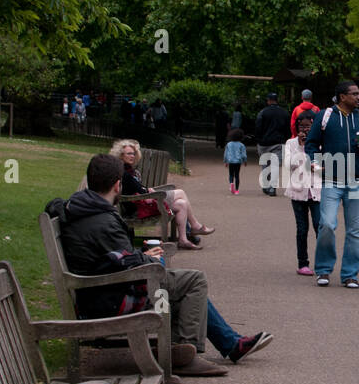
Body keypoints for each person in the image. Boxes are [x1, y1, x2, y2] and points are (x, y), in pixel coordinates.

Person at [47, 154, 272, 372]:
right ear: (118, 185)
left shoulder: (79, 208)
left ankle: (229, 344)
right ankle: (185, 354)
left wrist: (143, 255)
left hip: (99, 292)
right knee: (193, 281)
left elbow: (113, 258)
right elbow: (128, 267)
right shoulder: (102, 219)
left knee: (183, 280)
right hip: (110, 300)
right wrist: (151, 259)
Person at [304, 79, 359, 288]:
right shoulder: (325, 116)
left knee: (355, 229)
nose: (358, 97)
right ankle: (324, 270)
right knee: (326, 224)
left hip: (356, 179)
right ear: (342, 96)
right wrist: (315, 162)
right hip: (331, 180)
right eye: (354, 94)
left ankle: (350, 274)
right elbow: (311, 143)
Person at [107, 138, 215, 249]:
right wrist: (147, 191)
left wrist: (147, 190)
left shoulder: (129, 171)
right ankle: (195, 226)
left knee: (182, 204)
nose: (132, 156)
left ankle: (183, 240)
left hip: (143, 202)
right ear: (121, 155)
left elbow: (140, 188)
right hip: (137, 209)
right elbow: (141, 190)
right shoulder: (124, 173)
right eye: (129, 153)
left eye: (134, 153)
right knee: (181, 193)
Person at [285, 111, 322, 275]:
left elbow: (323, 165)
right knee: (302, 229)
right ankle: (303, 263)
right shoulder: (291, 143)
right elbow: (289, 164)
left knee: (320, 226)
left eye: (308, 126)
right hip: (298, 192)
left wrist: (313, 165)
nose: (305, 130)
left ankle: (322, 263)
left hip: (316, 191)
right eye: (302, 126)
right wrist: (301, 147)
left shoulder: (321, 144)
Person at [254, 92, 289, 196]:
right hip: (279, 143)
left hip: (265, 143)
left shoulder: (263, 112)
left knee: (265, 164)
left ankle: (265, 185)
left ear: (268, 100)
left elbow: (258, 127)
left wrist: (259, 140)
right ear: (277, 100)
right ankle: (272, 188)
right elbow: (288, 129)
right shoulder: (284, 113)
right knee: (275, 166)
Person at [224, 127, 247, 194]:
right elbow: (243, 155)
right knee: (237, 175)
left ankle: (231, 183)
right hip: (238, 162)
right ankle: (236, 190)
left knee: (231, 174)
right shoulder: (241, 145)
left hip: (230, 161)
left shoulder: (229, 144)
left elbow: (226, 154)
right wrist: (245, 161)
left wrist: (225, 161)